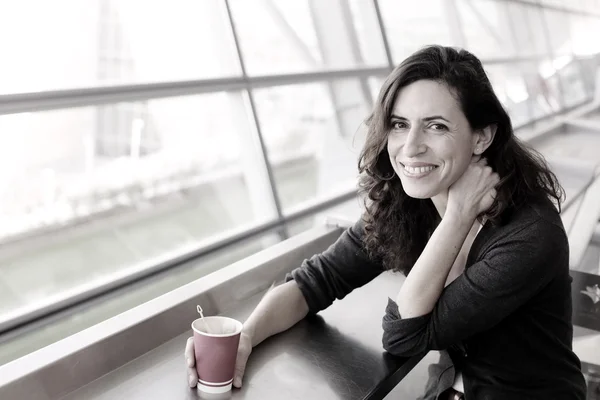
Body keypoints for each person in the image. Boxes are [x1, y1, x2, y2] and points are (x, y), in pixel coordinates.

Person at [184, 45, 587, 399]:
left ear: (481, 138)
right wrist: (246, 337)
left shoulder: (529, 233)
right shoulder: (406, 205)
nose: (410, 147)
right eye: (399, 124)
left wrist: (458, 216)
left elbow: (404, 335)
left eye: (436, 126)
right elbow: (315, 282)